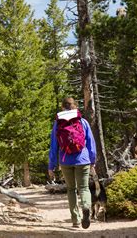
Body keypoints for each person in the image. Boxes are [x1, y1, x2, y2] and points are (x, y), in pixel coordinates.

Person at [48, 97, 96, 229]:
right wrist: (92, 161)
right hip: (83, 160)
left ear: (63, 107)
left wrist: (51, 166)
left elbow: (54, 146)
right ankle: (86, 207)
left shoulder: (58, 124)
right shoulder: (82, 121)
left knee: (71, 189)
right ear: (75, 106)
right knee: (84, 188)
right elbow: (91, 143)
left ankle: (75, 220)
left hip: (65, 161)